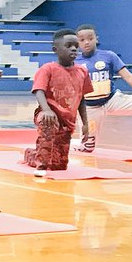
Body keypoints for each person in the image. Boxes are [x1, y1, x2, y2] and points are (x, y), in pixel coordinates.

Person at [74, 24, 132, 157]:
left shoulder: (109, 56)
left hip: (112, 99)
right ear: (77, 43)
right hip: (90, 108)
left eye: (90, 38)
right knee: (87, 148)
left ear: (96, 39)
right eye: (82, 40)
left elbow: (128, 76)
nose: (86, 42)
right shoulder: (74, 62)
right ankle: (77, 143)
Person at [22, 29, 92, 171]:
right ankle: (41, 164)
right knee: (48, 126)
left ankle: (31, 155)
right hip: (48, 115)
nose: (73, 48)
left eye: (75, 46)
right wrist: (47, 110)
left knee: (59, 165)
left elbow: (81, 98)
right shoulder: (48, 69)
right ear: (56, 49)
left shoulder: (82, 72)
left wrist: (85, 123)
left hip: (67, 121)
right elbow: (38, 90)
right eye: (68, 46)